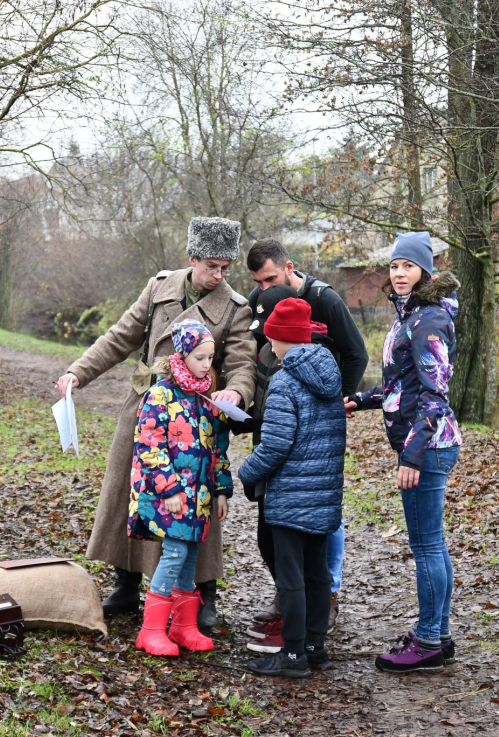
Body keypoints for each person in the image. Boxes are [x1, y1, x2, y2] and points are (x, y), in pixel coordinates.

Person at [54, 216, 256, 628]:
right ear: (192, 258)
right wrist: (78, 372)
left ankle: (202, 594)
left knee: (196, 503)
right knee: (126, 491)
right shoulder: (159, 287)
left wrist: (235, 392)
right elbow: (119, 337)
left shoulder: (235, 308)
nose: (218, 275)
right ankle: (126, 583)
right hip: (145, 406)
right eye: (211, 266)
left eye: (225, 267)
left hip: (195, 420)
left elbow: (242, 363)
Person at [345, 231, 463, 673]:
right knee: (434, 543)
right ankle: (440, 634)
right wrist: (364, 398)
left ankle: (429, 640)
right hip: (427, 442)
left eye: (408, 266)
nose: (398, 273)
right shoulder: (409, 314)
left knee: (428, 545)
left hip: (427, 446)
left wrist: (411, 455)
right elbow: (402, 385)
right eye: (394, 266)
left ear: (425, 272)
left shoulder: (429, 319)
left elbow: (435, 396)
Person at [245, 239, 368, 633]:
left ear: (289, 267)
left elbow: (357, 354)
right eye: (256, 283)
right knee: (273, 524)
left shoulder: (324, 300)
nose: (262, 289)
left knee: (317, 518)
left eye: (269, 279)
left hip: (316, 429)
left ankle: (325, 597)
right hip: (275, 418)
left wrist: (338, 400)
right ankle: (288, 593)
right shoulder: (260, 300)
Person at [238, 298, 345, 678]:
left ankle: (293, 655)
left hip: (290, 497)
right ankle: (315, 647)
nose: (270, 348)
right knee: (316, 573)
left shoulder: (285, 379)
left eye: (272, 341)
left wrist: (247, 472)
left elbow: (277, 444)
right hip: (322, 494)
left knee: (290, 579)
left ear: (281, 339)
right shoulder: (329, 373)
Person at [128, 320, 232, 656]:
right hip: (169, 495)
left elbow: (218, 446)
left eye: (210, 358)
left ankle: (184, 626)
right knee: (173, 554)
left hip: (198, 496)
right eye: (200, 357)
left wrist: (220, 490)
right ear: (183, 355)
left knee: (189, 557)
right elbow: (149, 444)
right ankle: (151, 629)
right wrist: (168, 488)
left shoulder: (204, 398)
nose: (206, 364)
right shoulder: (161, 394)